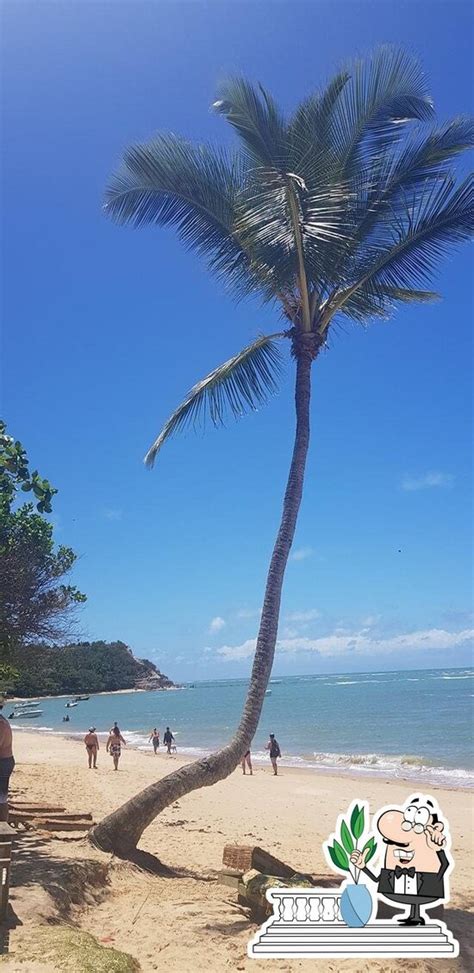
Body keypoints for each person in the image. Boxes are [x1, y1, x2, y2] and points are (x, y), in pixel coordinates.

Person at [350, 795, 451, 927]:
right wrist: (362, 866)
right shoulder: (392, 871)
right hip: (399, 892)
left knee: (417, 899)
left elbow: (445, 864)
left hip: (424, 890)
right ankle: (413, 916)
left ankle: (415, 916)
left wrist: (438, 851)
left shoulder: (429, 857)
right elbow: (376, 880)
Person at [0, 699, 15, 822]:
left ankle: (3, 827)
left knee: (1, 798)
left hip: (3, 762)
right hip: (5, 760)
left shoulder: (1, 723)